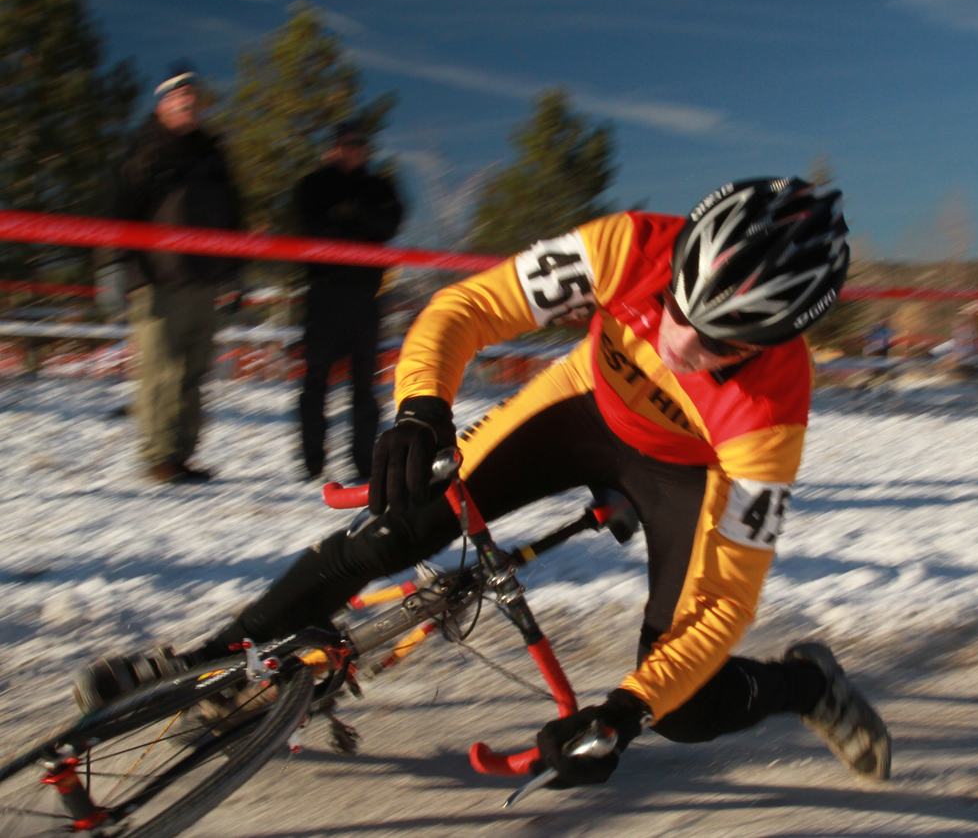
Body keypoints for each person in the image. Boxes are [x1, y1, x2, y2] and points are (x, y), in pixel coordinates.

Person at [75, 177, 891, 788]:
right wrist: (421, 408)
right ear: (677, 256)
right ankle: (211, 664)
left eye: (715, 343)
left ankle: (805, 681)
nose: (677, 344)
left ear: (779, 338)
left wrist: (624, 711)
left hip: (688, 472)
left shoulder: (772, 413)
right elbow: (466, 309)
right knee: (393, 527)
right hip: (578, 405)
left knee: (685, 707)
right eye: (677, 305)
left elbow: (724, 605)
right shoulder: (627, 243)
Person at [112, 61, 244, 483]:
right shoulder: (144, 148)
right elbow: (119, 209)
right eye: (179, 97)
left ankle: (182, 453)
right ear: (163, 103)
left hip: (204, 280)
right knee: (159, 372)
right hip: (157, 280)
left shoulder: (212, 151)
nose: (189, 104)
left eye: (194, 98)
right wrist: (111, 267)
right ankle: (158, 456)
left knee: (194, 371)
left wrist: (235, 273)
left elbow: (233, 215)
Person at [294, 122, 404, 481]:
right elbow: (308, 224)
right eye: (346, 144)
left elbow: (389, 223)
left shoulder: (378, 187)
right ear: (332, 148)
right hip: (323, 294)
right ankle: (312, 462)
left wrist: (351, 215)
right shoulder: (313, 185)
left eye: (359, 144)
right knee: (315, 383)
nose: (353, 150)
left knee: (365, 386)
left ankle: (363, 462)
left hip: (364, 297)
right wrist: (352, 221)